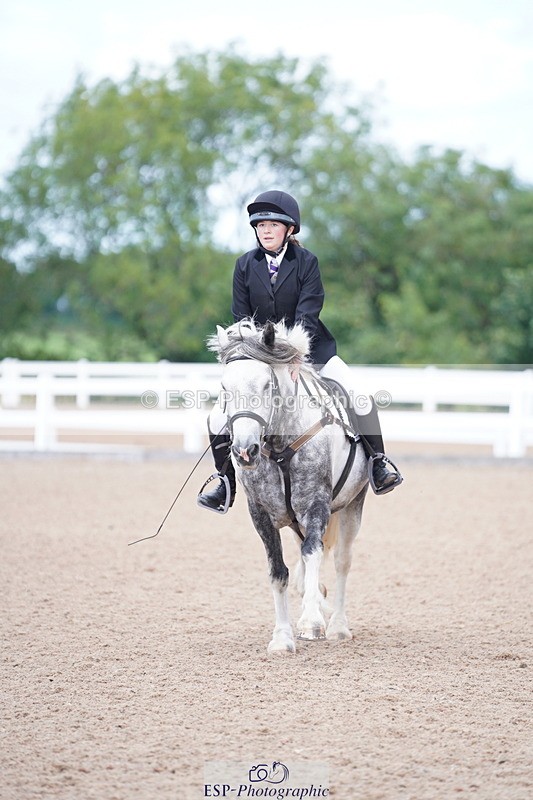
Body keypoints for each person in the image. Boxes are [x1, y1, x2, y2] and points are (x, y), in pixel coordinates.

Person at [197, 190, 401, 512]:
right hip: (260, 357)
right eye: (260, 225)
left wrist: (295, 356)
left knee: (358, 395)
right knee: (217, 416)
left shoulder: (307, 262)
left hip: (312, 350)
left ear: (289, 229)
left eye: (272, 225)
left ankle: (378, 462)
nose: (265, 230)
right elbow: (242, 319)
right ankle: (225, 482)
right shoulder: (244, 266)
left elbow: (308, 313)